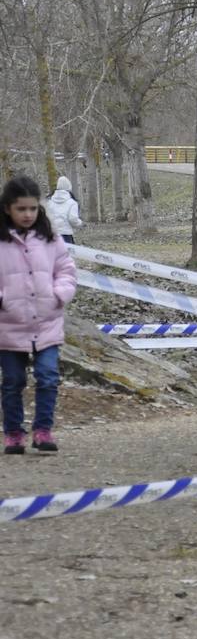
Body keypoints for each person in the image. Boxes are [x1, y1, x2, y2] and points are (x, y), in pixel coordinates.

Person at [0, 176, 76, 454]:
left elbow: (66, 270)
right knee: (13, 382)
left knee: (48, 377)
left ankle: (43, 430)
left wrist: (59, 294)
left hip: (47, 323)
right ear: (8, 208)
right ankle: (13, 433)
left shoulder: (50, 238)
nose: (28, 214)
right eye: (21, 209)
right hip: (8, 327)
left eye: (32, 208)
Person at [45, 176, 83, 244]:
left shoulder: (49, 202)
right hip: (66, 235)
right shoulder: (72, 203)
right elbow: (73, 219)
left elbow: (46, 218)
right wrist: (80, 223)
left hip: (52, 234)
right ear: (69, 188)